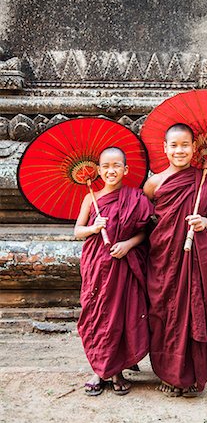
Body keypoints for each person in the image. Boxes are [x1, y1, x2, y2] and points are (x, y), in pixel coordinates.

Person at [143, 123, 207, 397]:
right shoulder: (153, 183)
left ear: (194, 147)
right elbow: (144, 222)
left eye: (185, 145)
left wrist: (203, 221)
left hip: (194, 261)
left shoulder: (201, 180)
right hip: (163, 259)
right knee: (164, 312)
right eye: (174, 145)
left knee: (193, 311)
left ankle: (191, 376)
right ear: (164, 148)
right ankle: (170, 374)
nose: (180, 151)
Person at [75, 147, 153, 396]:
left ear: (125, 169)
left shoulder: (136, 197)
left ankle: (117, 371)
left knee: (121, 316)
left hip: (124, 265)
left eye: (116, 165)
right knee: (97, 314)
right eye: (106, 166)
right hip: (97, 265)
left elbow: (145, 232)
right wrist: (93, 228)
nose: (111, 171)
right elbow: (77, 231)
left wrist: (128, 244)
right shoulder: (91, 198)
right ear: (98, 171)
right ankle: (99, 370)